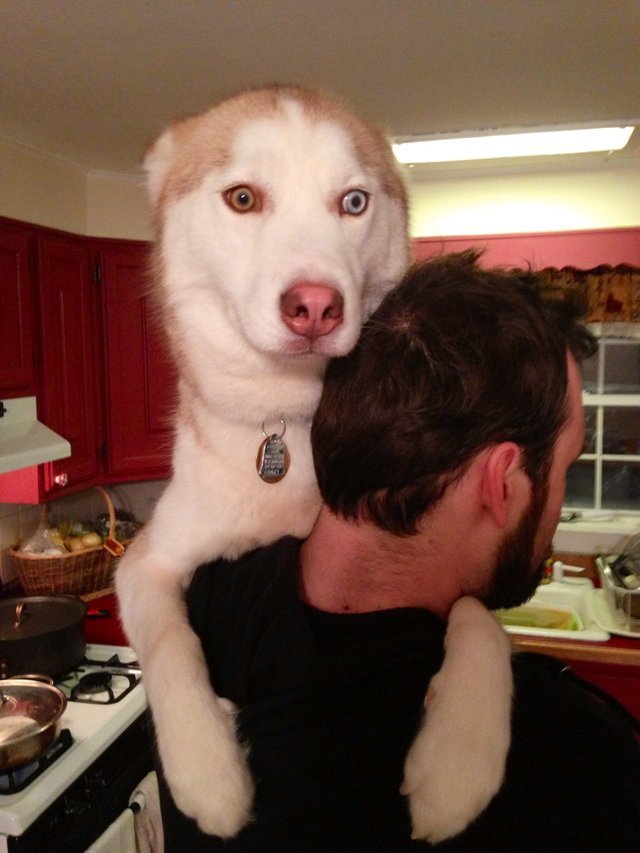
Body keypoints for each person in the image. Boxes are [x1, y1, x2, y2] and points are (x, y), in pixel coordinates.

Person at [156, 251, 640, 852]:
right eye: (563, 468)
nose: (560, 501)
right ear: (502, 482)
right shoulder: (579, 766)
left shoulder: (197, 606)